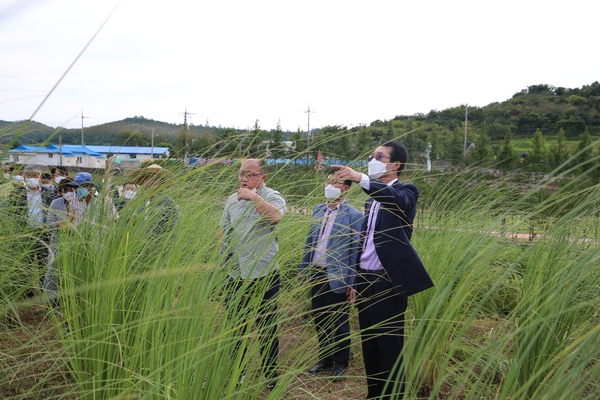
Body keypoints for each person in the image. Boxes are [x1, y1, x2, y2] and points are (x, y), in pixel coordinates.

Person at [332, 141, 434, 400]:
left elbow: (396, 199)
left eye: (379, 156)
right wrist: (354, 279)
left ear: (395, 164)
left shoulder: (406, 192)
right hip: (366, 280)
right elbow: (366, 243)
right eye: (371, 155)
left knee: (389, 346)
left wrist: (361, 178)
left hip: (388, 282)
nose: (372, 159)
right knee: (370, 344)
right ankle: (374, 394)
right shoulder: (372, 201)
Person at [220, 158, 286, 390]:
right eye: (241, 174)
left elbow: (276, 217)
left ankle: (270, 374)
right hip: (235, 273)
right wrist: (221, 266)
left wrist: (254, 197)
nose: (244, 178)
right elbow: (225, 233)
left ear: (262, 178)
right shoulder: (231, 199)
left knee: (267, 326)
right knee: (236, 326)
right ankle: (238, 372)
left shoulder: (273, 196)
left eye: (250, 174)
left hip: (264, 274)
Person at [300, 168, 363, 381]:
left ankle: (341, 362)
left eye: (335, 183)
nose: (329, 186)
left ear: (345, 188)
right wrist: (304, 268)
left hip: (338, 276)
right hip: (316, 273)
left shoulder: (354, 216)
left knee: (339, 321)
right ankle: (325, 359)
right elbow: (310, 242)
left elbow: (355, 252)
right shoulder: (318, 210)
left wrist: (352, 282)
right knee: (320, 318)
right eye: (328, 182)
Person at [8, 164, 55, 295]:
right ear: (24, 176)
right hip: (25, 233)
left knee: (43, 262)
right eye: (29, 176)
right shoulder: (17, 194)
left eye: (35, 175)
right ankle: (27, 292)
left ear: (39, 177)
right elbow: (12, 214)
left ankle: (43, 288)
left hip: (43, 232)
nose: (33, 178)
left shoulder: (48, 193)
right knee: (25, 263)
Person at [43, 178, 77, 306]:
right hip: (57, 243)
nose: (69, 192)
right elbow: (48, 225)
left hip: (75, 243)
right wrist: (62, 223)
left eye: (71, 190)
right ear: (61, 191)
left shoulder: (80, 203)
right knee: (52, 272)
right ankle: (50, 302)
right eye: (66, 190)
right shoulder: (55, 203)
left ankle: (71, 301)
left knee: (73, 272)